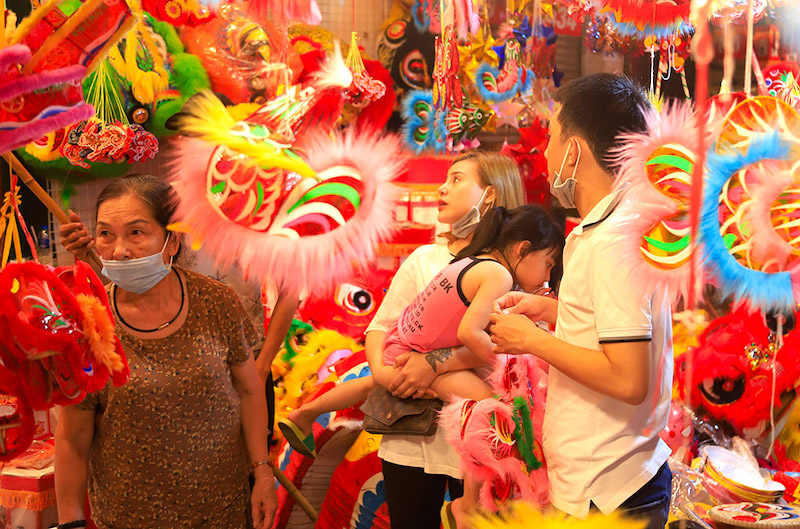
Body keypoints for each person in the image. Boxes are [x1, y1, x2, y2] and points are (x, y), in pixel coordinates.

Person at [488, 73, 673, 529]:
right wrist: (555, 312)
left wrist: (532, 341)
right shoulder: (612, 226)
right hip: (604, 480)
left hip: (610, 489)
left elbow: (629, 379)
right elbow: (617, 328)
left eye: (552, 138)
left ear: (574, 151)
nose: (547, 154)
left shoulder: (612, 241)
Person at [55, 174, 278, 529]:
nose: (120, 250)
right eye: (106, 234)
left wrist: (262, 471)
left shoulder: (217, 302)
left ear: (171, 241)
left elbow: (250, 390)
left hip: (222, 511)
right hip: (127, 517)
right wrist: (69, 523)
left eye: (137, 232)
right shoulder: (89, 322)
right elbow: (72, 437)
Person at [280, 205, 563, 456]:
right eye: (547, 264)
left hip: (400, 343)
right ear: (522, 249)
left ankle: (306, 412)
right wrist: (503, 360)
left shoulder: (470, 261)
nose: (548, 276)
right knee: (494, 403)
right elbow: (469, 334)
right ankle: (471, 498)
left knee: (372, 382)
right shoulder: (499, 275)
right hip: (414, 354)